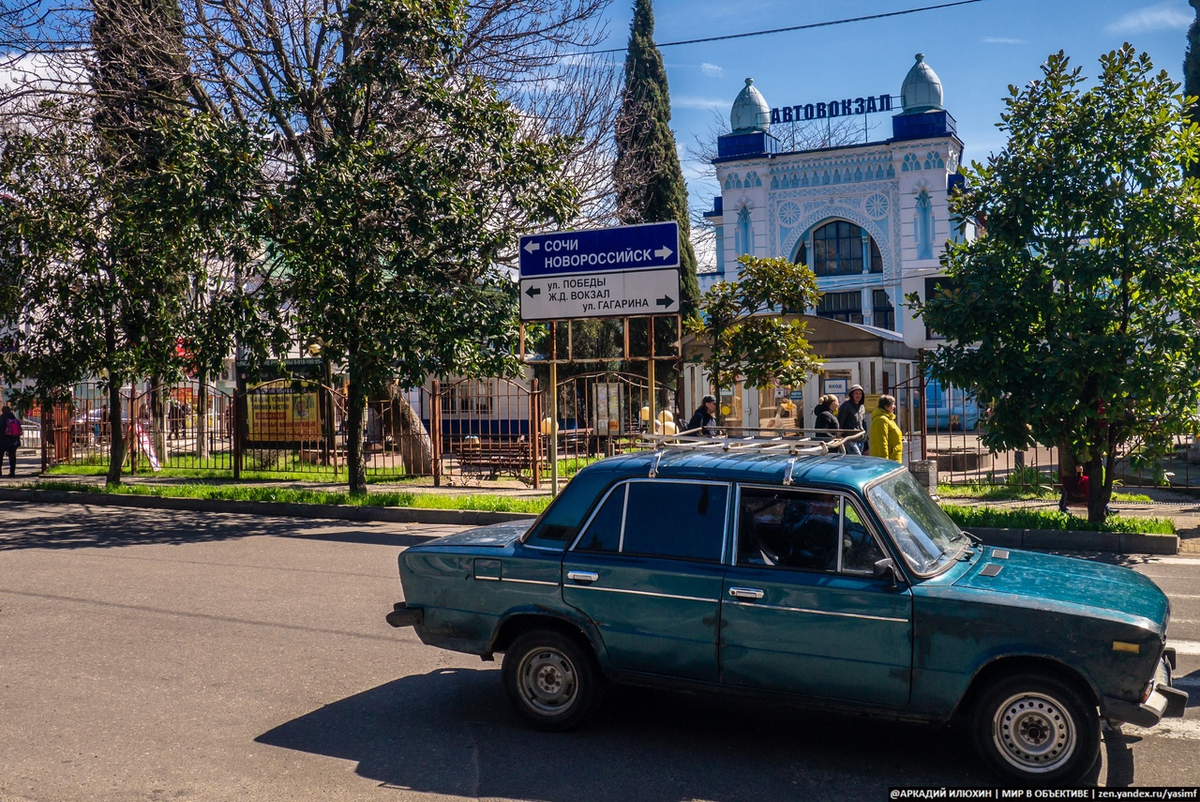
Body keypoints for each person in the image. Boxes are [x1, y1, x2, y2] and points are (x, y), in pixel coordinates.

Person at [870, 394, 903, 462]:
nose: (895, 406)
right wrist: (885, 462)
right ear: (886, 406)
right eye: (892, 404)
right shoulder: (881, 420)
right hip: (888, 462)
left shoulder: (889, 418)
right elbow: (882, 443)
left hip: (894, 459)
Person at [838, 384, 868, 455]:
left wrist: (866, 438)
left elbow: (863, 422)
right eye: (856, 393)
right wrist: (839, 435)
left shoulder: (862, 407)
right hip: (849, 438)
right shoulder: (846, 406)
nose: (858, 396)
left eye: (860, 394)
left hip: (860, 438)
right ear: (852, 394)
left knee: (855, 460)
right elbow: (840, 421)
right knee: (857, 458)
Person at [0, 405, 19, 476]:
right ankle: (12, 472)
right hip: (13, 441)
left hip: (2, 441)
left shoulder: (1, 418)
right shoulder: (14, 419)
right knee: (12, 457)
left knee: (0, 457)